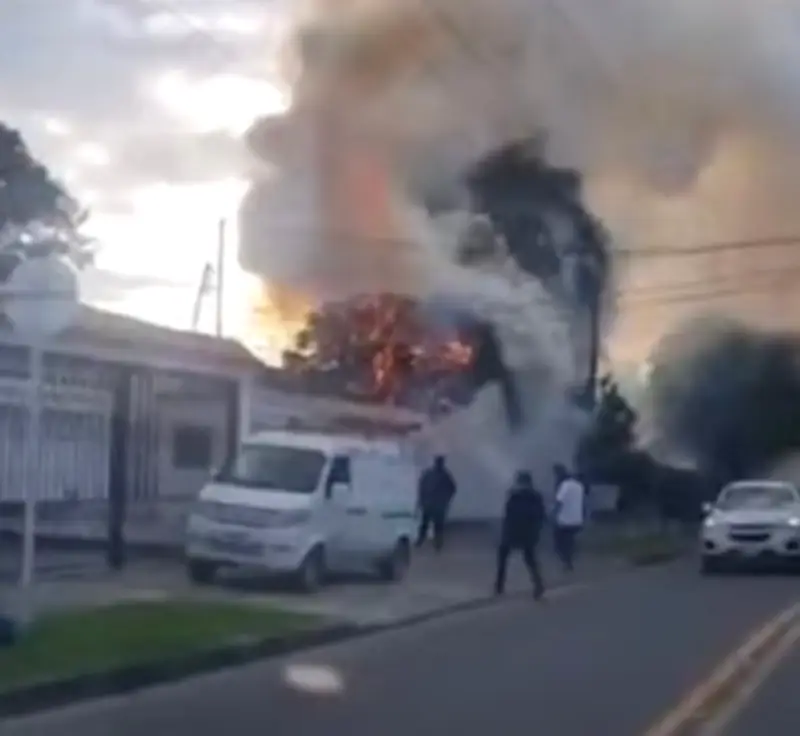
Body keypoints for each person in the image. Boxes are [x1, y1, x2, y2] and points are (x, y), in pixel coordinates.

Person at [494, 470, 546, 600]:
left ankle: (499, 586)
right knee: (530, 559)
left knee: (503, 557)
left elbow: (508, 514)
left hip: (512, 532)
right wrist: (537, 531)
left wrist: (504, 531)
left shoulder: (514, 495)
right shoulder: (536, 496)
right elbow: (541, 515)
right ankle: (538, 583)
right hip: (529, 533)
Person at [416, 455, 457, 552]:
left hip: (435, 504)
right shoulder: (439, 474)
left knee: (434, 525)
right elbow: (422, 487)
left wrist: (446, 499)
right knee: (428, 524)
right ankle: (424, 541)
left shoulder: (441, 475)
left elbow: (452, 488)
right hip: (432, 504)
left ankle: (433, 543)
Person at [553, 464, 586, 572]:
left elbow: (559, 502)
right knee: (569, 540)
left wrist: (552, 514)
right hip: (577, 519)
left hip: (565, 520)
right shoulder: (579, 485)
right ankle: (569, 560)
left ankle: (566, 561)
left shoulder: (565, 485)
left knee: (559, 542)